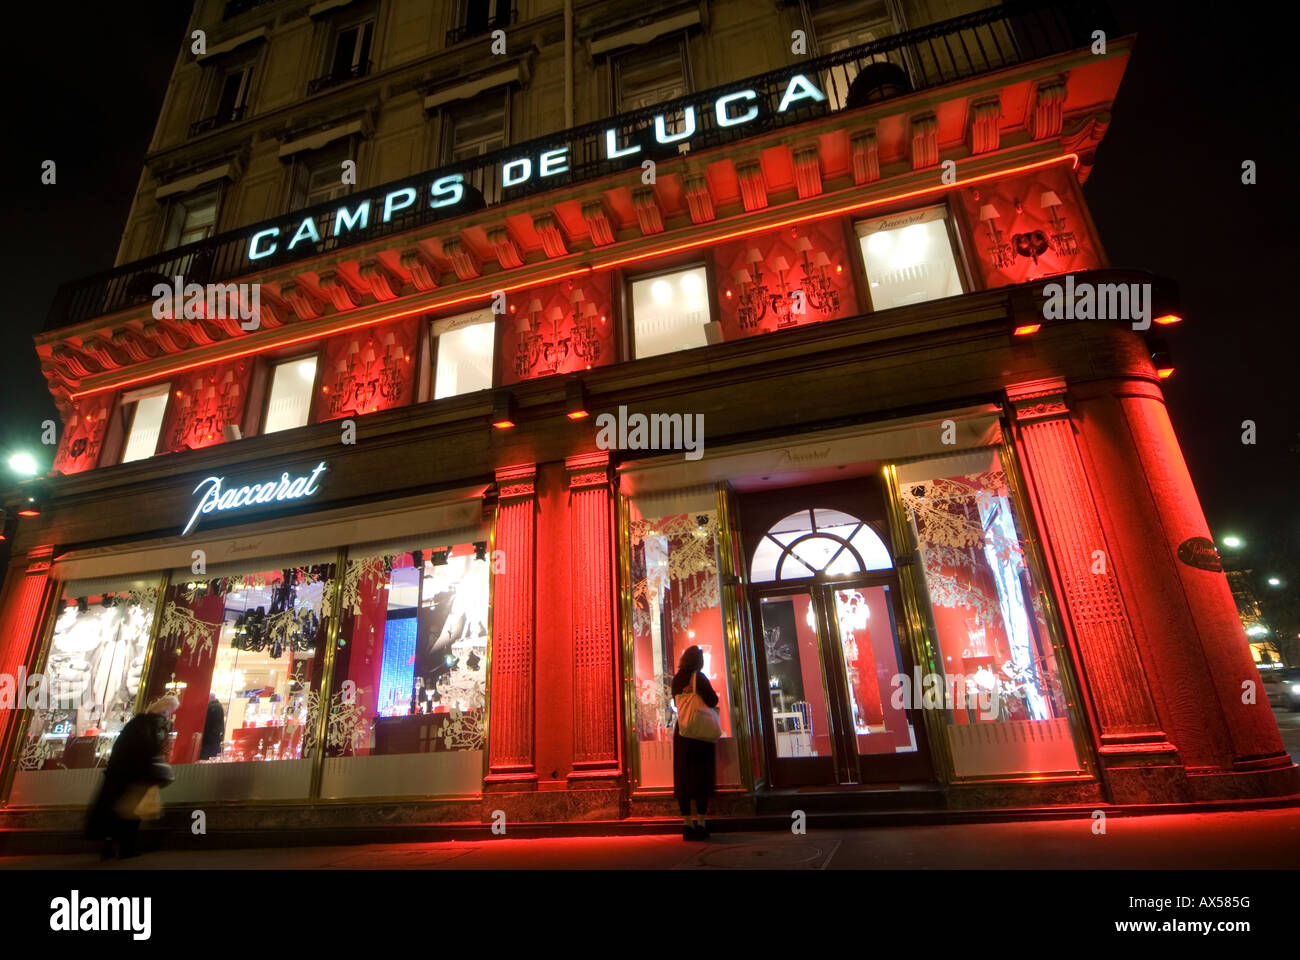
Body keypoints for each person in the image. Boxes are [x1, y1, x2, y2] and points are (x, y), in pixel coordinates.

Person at [86, 695, 178, 859]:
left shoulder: (137, 723)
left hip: (120, 772)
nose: (169, 716)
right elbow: (149, 748)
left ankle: (110, 846)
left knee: (117, 810)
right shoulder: (154, 725)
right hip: (136, 774)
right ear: (165, 711)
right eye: (170, 712)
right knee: (132, 813)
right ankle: (126, 848)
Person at [672, 645, 719, 840]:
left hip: (682, 732)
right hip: (699, 735)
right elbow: (713, 700)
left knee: (683, 777)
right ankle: (701, 824)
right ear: (698, 662)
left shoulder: (676, 679)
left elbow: (676, 704)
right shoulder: (698, 678)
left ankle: (686, 825)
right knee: (701, 777)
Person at [200, 692, 225, 760]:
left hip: (209, 741)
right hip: (215, 740)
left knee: (206, 758)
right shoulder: (219, 706)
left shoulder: (211, 707)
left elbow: (207, 724)